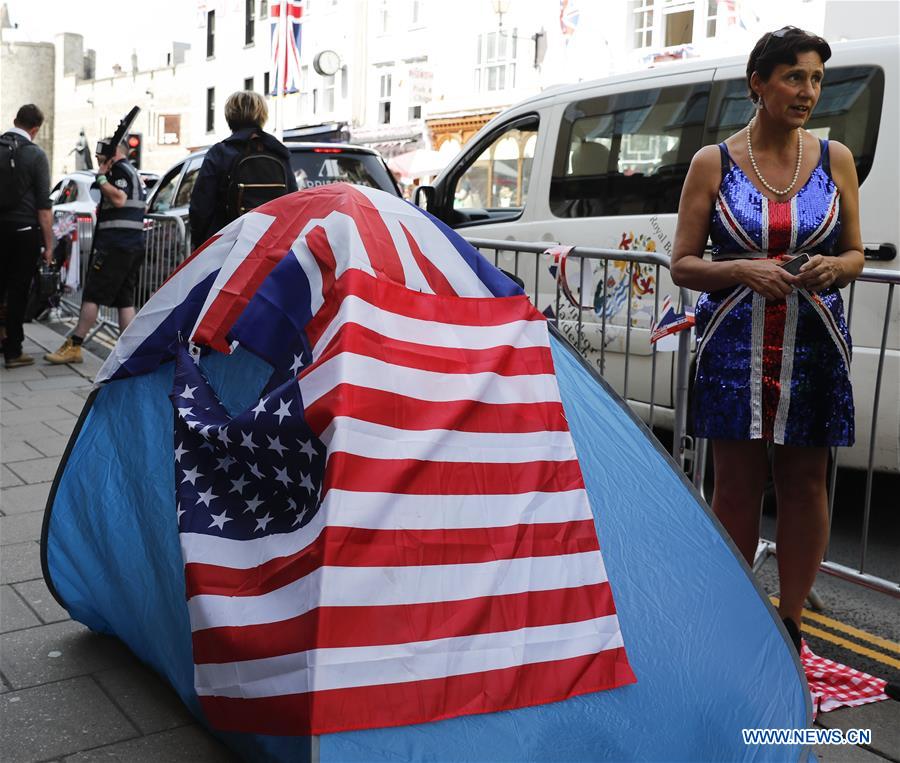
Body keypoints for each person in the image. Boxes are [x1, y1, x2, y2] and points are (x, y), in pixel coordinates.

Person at [671, 27, 864, 652]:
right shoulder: (713, 163)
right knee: (735, 485)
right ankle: (734, 617)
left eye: (815, 80)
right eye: (794, 77)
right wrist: (741, 269)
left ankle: (789, 621)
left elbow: (857, 251)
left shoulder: (836, 159)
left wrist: (838, 267)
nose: (807, 92)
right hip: (734, 345)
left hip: (814, 342)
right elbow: (682, 263)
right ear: (759, 83)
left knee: (808, 482)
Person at [45, 138, 147, 364]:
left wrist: (101, 176)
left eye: (102, 152)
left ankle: (75, 345)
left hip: (115, 246)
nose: (99, 156)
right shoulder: (132, 172)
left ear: (113, 153)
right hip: (131, 244)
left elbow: (119, 199)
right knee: (124, 300)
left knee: (92, 294)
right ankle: (128, 353)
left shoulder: (118, 171)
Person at [188, 91, 297, 247]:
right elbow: (293, 200)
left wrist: (200, 243)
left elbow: (201, 206)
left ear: (230, 116)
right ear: (262, 115)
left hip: (227, 243)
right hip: (270, 244)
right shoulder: (279, 152)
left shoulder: (220, 153)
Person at [0, 104, 55, 368]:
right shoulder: (35, 155)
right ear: (35, 129)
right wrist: (49, 245)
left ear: (14, 120)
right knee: (18, 290)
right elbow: (44, 207)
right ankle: (13, 351)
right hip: (24, 233)